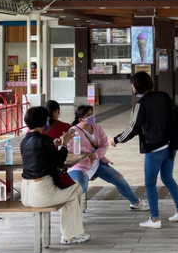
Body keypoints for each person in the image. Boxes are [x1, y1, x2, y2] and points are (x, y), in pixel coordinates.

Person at [109, 72, 178, 229]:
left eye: (132, 85)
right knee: (168, 179)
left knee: (150, 183)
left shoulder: (141, 104)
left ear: (136, 86)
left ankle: (155, 219)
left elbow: (133, 128)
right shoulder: (164, 96)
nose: (132, 87)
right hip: (170, 146)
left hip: (154, 149)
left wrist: (116, 139)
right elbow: (176, 114)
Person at [20, 106, 89, 245]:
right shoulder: (43, 139)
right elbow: (58, 163)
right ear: (43, 121)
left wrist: (53, 144)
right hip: (42, 192)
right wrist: (64, 143)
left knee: (72, 192)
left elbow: (39, 156)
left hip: (25, 193)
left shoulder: (25, 140)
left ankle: (73, 233)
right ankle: (70, 235)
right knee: (76, 189)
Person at [68, 105, 148, 211]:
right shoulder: (74, 131)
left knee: (119, 178)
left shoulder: (97, 128)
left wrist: (96, 155)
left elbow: (104, 145)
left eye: (92, 114)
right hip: (80, 166)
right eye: (88, 115)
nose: (92, 117)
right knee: (80, 186)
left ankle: (135, 202)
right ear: (81, 119)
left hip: (97, 163)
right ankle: (70, 210)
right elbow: (69, 149)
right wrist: (86, 154)